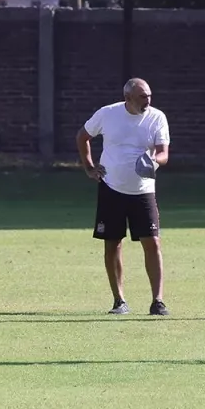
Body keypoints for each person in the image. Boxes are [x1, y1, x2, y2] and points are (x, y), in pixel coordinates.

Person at [76, 78, 171, 316]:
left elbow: (163, 154)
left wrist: (153, 161)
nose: (147, 101)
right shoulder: (108, 114)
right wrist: (89, 167)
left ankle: (157, 301)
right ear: (127, 98)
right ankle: (119, 300)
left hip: (143, 190)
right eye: (142, 97)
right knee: (113, 243)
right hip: (111, 188)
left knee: (153, 242)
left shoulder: (157, 117)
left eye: (149, 95)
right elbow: (82, 136)